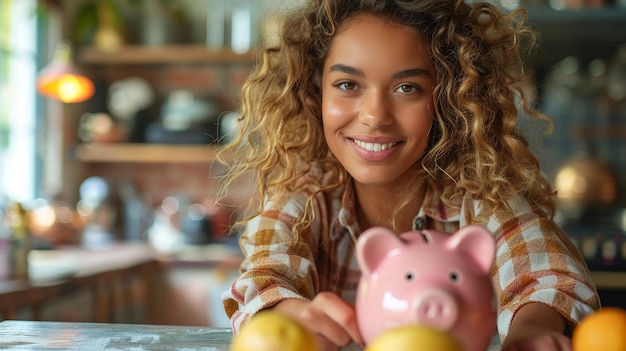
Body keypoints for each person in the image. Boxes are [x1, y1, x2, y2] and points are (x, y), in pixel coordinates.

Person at [216, 0, 601, 350]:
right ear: (316, 94)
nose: (375, 115)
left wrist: (530, 331)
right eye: (348, 85)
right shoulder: (303, 200)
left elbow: (547, 275)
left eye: (407, 88)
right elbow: (267, 272)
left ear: (448, 99)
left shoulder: (480, 200)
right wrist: (287, 315)